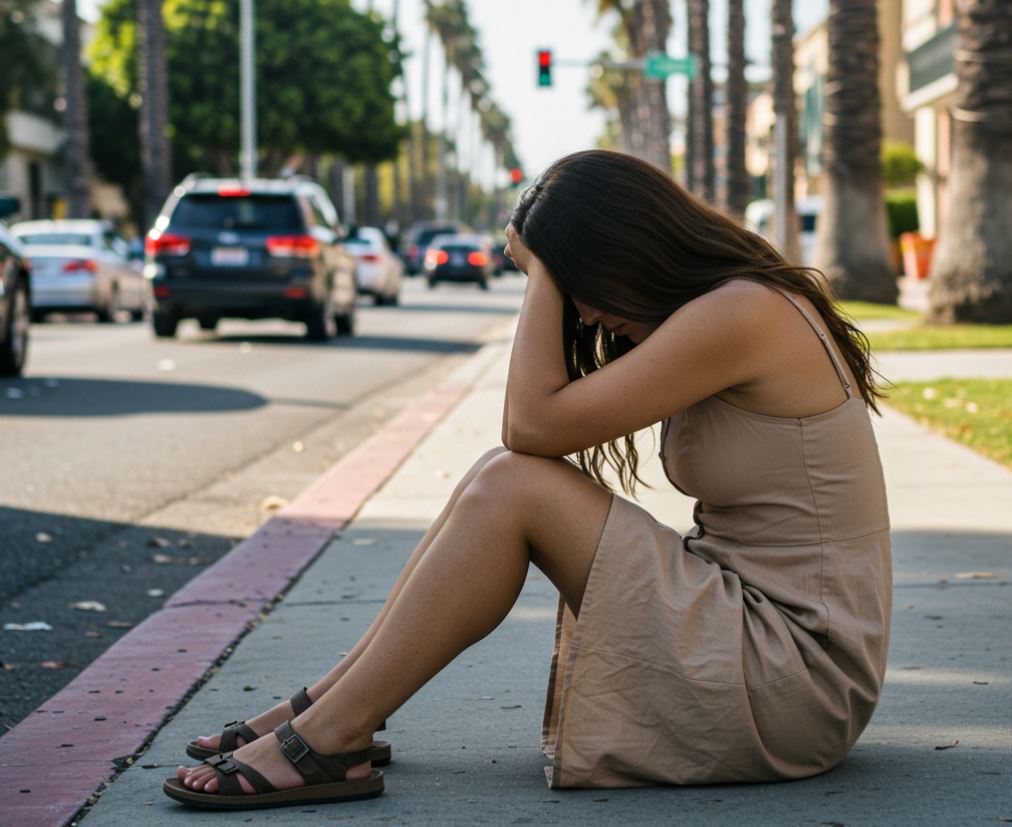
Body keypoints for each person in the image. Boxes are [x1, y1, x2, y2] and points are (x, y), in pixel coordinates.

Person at [164, 149, 892, 808]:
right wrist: (549, 262)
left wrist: (540, 267)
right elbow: (527, 435)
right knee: (498, 475)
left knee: (513, 481)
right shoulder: (726, 307)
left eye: (582, 280)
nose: (583, 310)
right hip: (759, 632)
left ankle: (333, 727)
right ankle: (330, 708)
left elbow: (531, 424)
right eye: (565, 285)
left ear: (628, 248)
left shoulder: (742, 314)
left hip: (796, 676)